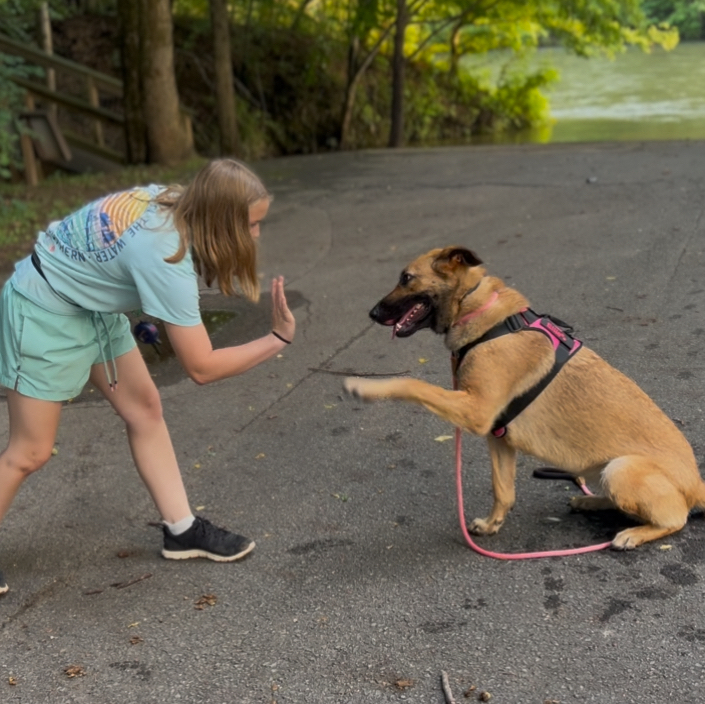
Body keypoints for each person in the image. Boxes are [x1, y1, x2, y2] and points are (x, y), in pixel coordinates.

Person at [0, 158, 295, 596]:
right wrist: (277, 339)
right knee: (30, 451)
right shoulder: (165, 254)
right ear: (221, 222)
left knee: (144, 409)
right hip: (43, 306)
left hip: (87, 302)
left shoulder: (170, 200)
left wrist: (133, 303)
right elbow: (201, 367)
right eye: (251, 224)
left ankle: (181, 529)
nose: (255, 235)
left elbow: (112, 251)